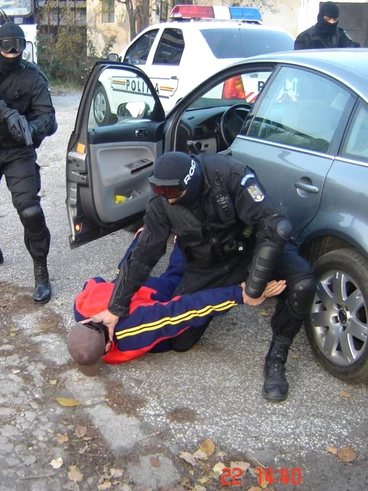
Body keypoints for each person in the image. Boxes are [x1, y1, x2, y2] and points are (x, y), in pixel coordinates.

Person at [88, 152, 316, 402]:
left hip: (251, 250)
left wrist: (253, 287)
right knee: (181, 341)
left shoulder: (231, 175)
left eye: (171, 191)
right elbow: (144, 255)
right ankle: (217, 299)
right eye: (158, 189)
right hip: (207, 264)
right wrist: (115, 307)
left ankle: (277, 357)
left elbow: (273, 226)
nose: (166, 198)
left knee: (303, 284)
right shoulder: (163, 201)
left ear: (190, 181)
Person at [68, 233, 286, 376]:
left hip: (152, 296)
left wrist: (240, 294)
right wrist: (140, 242)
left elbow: (187, 309)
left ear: (107, 347)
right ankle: (167, 236)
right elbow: (102, 280)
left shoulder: (131, 331)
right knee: (164, 274)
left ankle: (201, 241)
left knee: (178, 284)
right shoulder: (80, 307)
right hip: (131, 288)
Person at [0, 22, 58, 304]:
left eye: (18, 46)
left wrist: (31, 128)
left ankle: (41, 271)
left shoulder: (33, 77)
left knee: (30, 211)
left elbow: (50, 118)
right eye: (7, 46)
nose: (13, 51)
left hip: (18, 152)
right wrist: (7, 116)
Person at [294, 2, 360, 50]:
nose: (332, 22)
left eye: (335, 19)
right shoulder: (305, 38)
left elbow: (351, 49)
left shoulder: (340, 34)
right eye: (328, 19)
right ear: (320, 17)